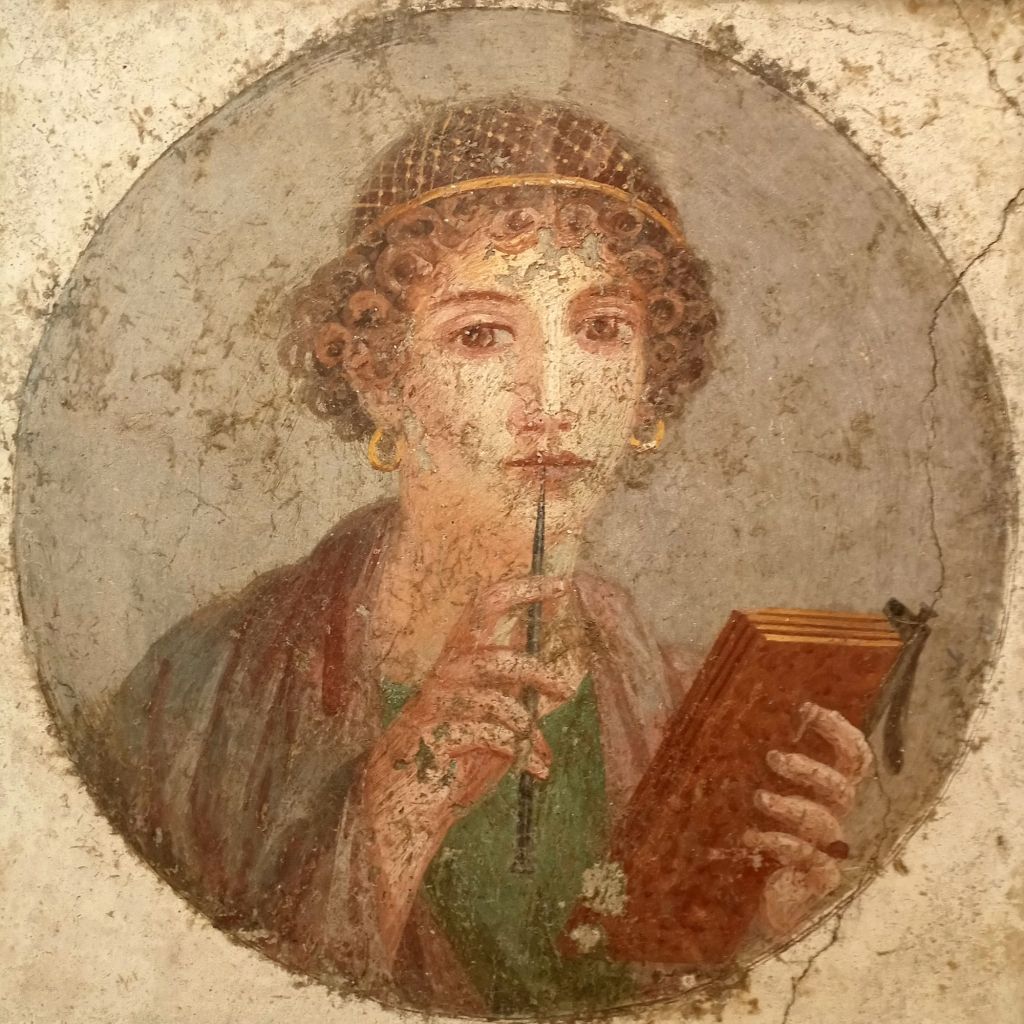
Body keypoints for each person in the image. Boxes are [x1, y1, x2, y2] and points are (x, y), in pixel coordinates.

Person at [99, 100, 873, 1015]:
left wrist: (771, 937)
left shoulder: (683, 706)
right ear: (381, 377)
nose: (552, 396)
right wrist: (391, 818)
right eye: (480, 335)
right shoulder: (201, 694)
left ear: (650, 382)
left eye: (601, 328)